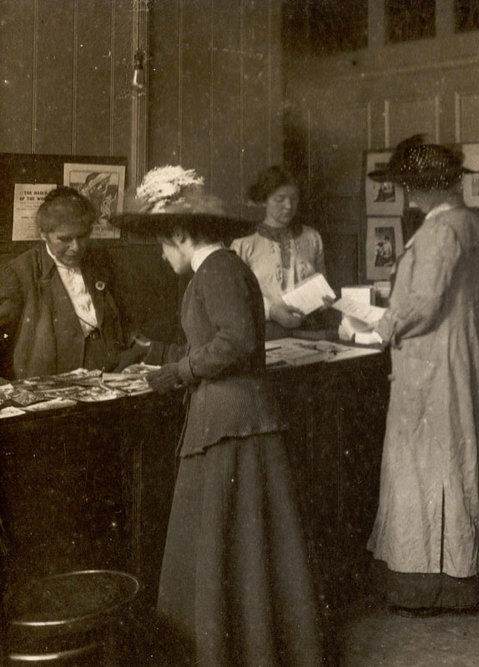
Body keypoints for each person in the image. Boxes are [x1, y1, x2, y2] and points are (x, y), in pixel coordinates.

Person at [113, 166, 326, 666]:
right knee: (237, 543)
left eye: (164, 246)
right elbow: (218, 339)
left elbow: (236, 342)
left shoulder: (219, 270)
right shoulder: (222, 269)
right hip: (231, 417)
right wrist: (161, 356)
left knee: (227, 541)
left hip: (231, 420)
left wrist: (178, 372)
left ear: (183, 236)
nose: (163, 257)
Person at [364, 136, 479, 615]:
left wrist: (380, 327)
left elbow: (425, 304)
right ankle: (474, 566)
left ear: (425, 189)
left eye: (410, 188)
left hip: (433, 367)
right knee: (462, 456)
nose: (407, 197)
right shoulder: (469, 224)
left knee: (430, 466)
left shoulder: (438, 232)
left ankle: (433, 580)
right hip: (464, 357)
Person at [0, 186, 128, 379]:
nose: (76, 247)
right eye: (65, 239)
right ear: (44, 234)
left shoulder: (101, 262)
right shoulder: (20, 273)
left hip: (107, 380)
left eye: (82, 236)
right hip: (49, 389)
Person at [231, 165, 331, 339]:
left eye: (294, 198)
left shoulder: (312, 237)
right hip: (265, 335)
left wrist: (325, 299)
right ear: (264, 200)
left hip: (310, 332)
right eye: (280, 199)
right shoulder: (243, 244)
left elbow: (322, 283)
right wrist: (272, 312)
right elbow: (237, 300)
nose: (288, 206)